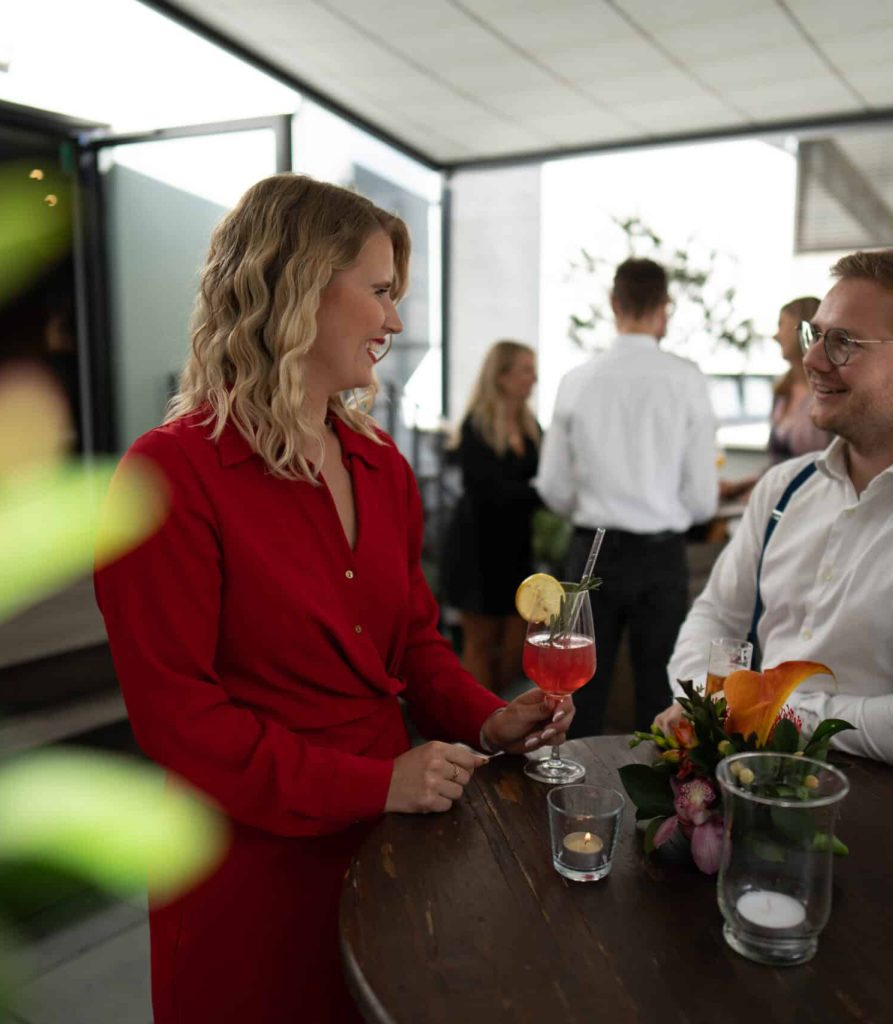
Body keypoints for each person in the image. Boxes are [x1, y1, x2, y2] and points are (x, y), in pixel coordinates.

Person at [93, 174, 574, 1024]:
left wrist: (485, 718)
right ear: (299, 285)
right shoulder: (170, 475)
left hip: (390, 841)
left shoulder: (380, 464)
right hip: (246, 866)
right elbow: (181, 722)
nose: (395, 321)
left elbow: (416, 644)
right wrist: (375, 782)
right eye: (381, 291)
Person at [656, 247, 893, 775]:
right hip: (743, 789)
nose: (812, 359)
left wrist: (761, 709)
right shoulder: (785, 488)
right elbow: (716, 617)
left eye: (844, 342)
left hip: (889, 825)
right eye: (816, 333)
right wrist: (713, 704)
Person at [536, 257, 718, 738]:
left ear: (614, 305)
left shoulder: (577, 379)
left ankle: (570, 797)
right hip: (661, 556)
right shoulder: (687, 379)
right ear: (665, 309)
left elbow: (552, 485)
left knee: (577, 687)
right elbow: (703, 499)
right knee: (662, 690)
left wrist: (594, 506)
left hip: (591, 550)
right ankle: (661, 807)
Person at [443, 340, 542, 691]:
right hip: (477, 548)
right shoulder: (476, 426)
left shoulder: (531, 426)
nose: (534, 378)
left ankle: (500, 723)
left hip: (516, 548)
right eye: (526, 369)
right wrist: (540, 492)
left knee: (516, 646)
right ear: (502, 376)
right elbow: (487, 491)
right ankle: (477, 732)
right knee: (480, 644)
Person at [721, 296, 831, 501]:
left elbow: (821, 466)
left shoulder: (828, 393)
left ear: (804, 330)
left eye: (781, 325)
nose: (776, 336)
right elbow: (778, 466)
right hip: (777, 497)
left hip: (810, 500)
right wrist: (739, 486)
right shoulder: (783, 391)